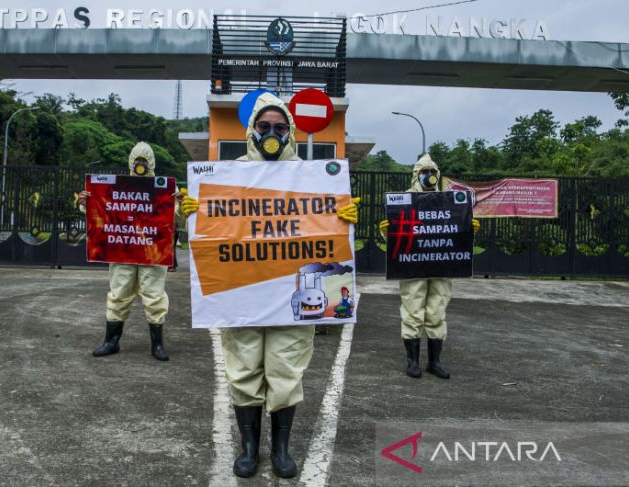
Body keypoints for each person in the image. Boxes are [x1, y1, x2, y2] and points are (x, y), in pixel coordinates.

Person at [180, 93, 358, 478]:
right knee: (243, 368)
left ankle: (280, 449)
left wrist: (344, 220)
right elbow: (212, 240)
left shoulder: (310, 177)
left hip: (289, 299)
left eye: (280, 127)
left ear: (290, 131)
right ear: (252, 131)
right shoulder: (230, 173)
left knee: (285, 370)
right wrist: (194, 214)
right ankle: (249, 447)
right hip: (242, 294)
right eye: (265, 127)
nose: (272, 133)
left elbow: (326, 241)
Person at [379, 153, 480, 379]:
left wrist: (469, 230)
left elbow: (455, 237)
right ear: (416, 175)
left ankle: (434, 362)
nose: (429, 176)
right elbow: (398, 240)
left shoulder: (448, 201)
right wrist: (387, 232)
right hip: (412, 267)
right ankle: (412, 362)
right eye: (425, 172)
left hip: (441, 267)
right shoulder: (404, 200)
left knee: (437, 312)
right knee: (413, 311)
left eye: (432, 172)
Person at [79, 141, 175, 362]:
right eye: (138, 160)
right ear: (132, 162)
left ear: (150, 162)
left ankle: (157, 344)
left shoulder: (165, 188)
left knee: (154, 296)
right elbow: (102, 208)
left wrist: (179, 203)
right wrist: (86, 202)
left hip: (153, 251)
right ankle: (111, 341)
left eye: (145, 160)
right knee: (119, 293)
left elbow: (177, 214)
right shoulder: (116, 187)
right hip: (123, 251)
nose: (141, 164)